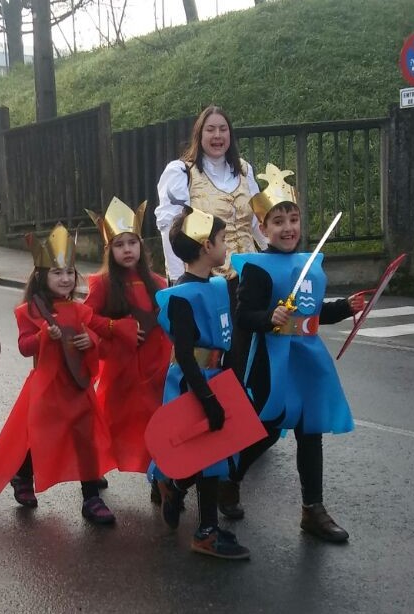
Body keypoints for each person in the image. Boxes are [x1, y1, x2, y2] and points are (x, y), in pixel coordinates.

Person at [231, 163, 365, 543]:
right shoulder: (257, 268)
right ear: (263, 229)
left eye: (293, 219)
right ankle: (231, 478)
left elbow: (314, 314)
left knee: (310, 430)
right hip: (272, 361)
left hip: (307, 360)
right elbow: (243, 315)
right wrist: (268, 317)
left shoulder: (310, 264)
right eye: (278, 222)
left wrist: (345, 308)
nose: (288, 228)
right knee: (267, 430)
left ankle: (313, 510)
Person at [154, 105, 267, 518]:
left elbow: (258, 226)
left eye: (223, 129)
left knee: (243, 376)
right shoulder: (181, 173)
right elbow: (169, 225)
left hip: (246, 283)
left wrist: (275, 263)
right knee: (203, 376)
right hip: (204, 286)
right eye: (210, 130)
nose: (218, 136)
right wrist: (180, 282)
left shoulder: (244, 171)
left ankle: (224, 477)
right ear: (199, 135)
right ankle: (179, 471)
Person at [0, 224, 117, 525]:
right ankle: (22, 475)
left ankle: (91, 498)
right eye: (57, 273)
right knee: (41, 436)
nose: (65, 278)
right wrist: (43, 334)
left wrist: (91, 341)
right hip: (47, 385)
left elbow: (100, 337)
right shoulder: (28, 311)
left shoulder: (80, 310)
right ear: (42, 276)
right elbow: (24, 347)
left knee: (85, 437)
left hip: (77, 384)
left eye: (69, 272)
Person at [150, 207, 250, 560]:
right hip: (192, 383)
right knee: (204, 452)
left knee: (214, 455)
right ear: (207, 246)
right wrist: (207, 398)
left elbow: (227, 337)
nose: (227, 246)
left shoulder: (219, 285)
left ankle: (178, 491)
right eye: (222, 239)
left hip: (217, 378)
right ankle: (203, 528)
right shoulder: (181, 295)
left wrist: (231, 380)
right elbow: (185, 354)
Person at [83, 198, 171, 492]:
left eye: (132, 242)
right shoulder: (102, 284)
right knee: (110, 423)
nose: (127, 249)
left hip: (155, 370)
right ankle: (93, 471)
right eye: (119, 245)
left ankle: (159, 477)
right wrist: (115, 327)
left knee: (156, 423)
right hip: (121, 371)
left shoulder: (158, 283)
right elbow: (86, 316)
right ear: (109, 250)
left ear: (141, 246)